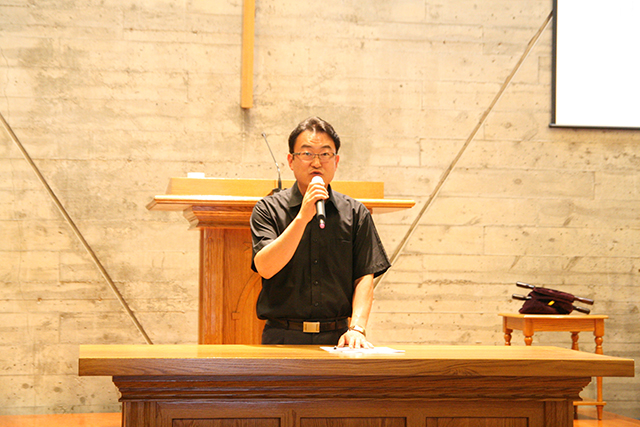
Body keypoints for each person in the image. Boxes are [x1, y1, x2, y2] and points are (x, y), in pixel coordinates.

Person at [250, 116, 391, 348]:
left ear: (336, 161)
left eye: (325, 154)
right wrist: (302, 217)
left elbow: (365, 276)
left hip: (338, 337)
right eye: (307, 153)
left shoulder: (355, 212)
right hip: (282, 336)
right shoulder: (268, 209)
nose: (316, 162)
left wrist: (357, 328)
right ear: (291, 160)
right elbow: (265, 267)